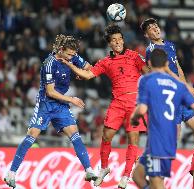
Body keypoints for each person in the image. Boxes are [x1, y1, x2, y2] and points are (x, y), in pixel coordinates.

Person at [133, 18, 194, 189]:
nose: (154, 28)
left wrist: (187, 86)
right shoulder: (151, 50)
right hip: (170, 95)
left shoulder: (169, 44)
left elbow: (176, 67)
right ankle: (148, 162)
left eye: (155, 25)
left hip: (180, 92)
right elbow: (164, 72)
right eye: (150, 28)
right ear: (146, 34)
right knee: (173, 139)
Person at [60, 24, 149, 189]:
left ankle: (126, 175)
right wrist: (70, 65)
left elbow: (148, 72)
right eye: (114, 40)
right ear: (110, 43)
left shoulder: (134, 56)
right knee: (106, 136)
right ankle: (104, 167)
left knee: (133, 139)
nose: (118, 42)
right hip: (117, 103)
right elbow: (88, 74)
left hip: (135, 103)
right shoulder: (105, 62)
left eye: (120, 38)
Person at [4, 34, 97, 189]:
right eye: (68, 54)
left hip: (60, 105)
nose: (71, 57)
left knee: (74, 133)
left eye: (73, 55)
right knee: (32, 134)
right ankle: (11, 173)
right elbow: (50, 92)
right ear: (61, 50)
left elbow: (90, 69)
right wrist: (72, 99)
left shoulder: (72, 56)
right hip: (46, 104)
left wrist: (79, 73)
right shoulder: (49, 64)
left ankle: (88, 170)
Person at [130, 48, 194, 189]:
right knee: (137, 174)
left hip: (159, 141)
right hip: (166, 139)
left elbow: (142, 109)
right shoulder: (178, 85)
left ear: (149, 62)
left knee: (156, 182)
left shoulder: (146, 80)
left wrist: (134, 118)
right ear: (167, 63)